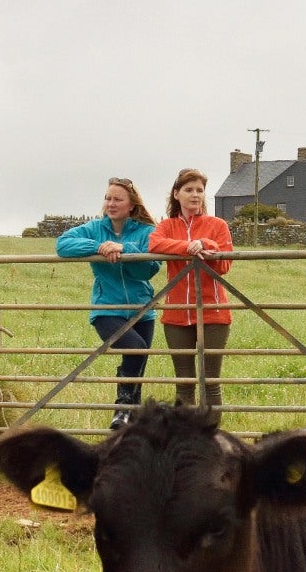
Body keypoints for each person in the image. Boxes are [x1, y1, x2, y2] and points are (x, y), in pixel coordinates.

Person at [56, 178, 158, 429]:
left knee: (138, 368)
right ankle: (122, 406)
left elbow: (149, 270)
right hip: (106, 309)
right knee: (136, 348)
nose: (110, 204)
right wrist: (100, 247)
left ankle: (130, 427)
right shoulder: (94, 229)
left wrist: (124, 249)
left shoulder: (146, 231)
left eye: (117, 199)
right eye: (108, 198)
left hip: (142, 310)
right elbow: (63, 245)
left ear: (131, 205)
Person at [150, 167, 234, 409]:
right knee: (184, 382)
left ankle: (210, 441)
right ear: (176, 194)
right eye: (189, 190)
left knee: (210, 382)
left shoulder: (217, 225)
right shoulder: (167, 226)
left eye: (200, 190)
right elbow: (155, 244)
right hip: (177, 313)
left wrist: (206, 244)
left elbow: (225, 264)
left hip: (214, 311)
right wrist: (188, 247)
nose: (195, 195)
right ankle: (186, 442)